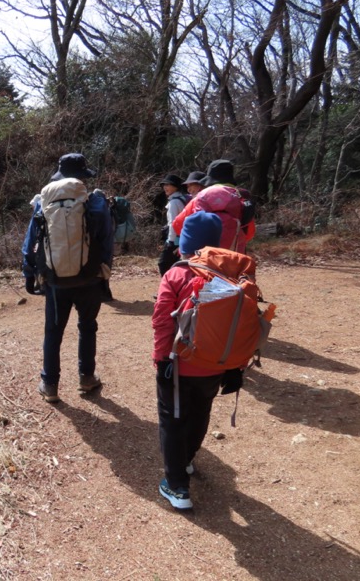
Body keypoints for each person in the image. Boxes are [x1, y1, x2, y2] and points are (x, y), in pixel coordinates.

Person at [22, 153, 114, 403]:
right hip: (89, 277)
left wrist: (29, 272)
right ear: (83, 176)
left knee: (53, 331)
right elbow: (106, 240)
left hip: (55, 280)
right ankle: (86, 377)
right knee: (87, 327)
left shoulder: (44, 201)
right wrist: (104, 273)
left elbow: (32, 241)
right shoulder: (95, 200)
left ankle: (50, 384)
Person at [152, 211, 224, 511]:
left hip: (180, 362)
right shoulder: (229, 274)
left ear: (184, 243)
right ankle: (188, 460)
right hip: (217, 363)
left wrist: (161, 358)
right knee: (200, 410)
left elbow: (161, 320)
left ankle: (177, 486)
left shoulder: (177, 274)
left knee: (172, 418)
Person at [172, 160, 255, 254]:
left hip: (203, 255)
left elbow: (177, 224)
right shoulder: (241, 197)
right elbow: (249, 232)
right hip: (234, 255)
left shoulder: (202, 196)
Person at [157, 174, 188, 276]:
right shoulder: (182, 199)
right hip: (182, 238)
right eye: (164, 185)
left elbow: (173, 223)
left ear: (176, 187)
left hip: (175, 240)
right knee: (175, 265)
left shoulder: (174, 202)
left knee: (163, 264)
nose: (165, 187)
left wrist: (170, 241)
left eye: (168, 185)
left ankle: (167, 289)